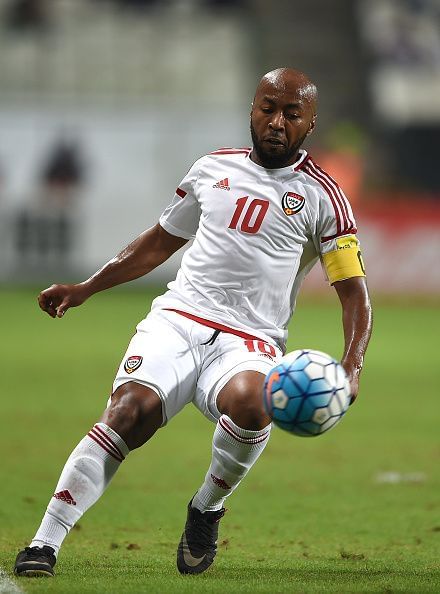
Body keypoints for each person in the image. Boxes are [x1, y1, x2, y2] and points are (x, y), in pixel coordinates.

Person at [14, 67, 372, 578]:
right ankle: (44, 543)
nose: (276, 122)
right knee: (127, 413)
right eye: (267, 108)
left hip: (251, 340)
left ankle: (205, 508)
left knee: (255, 404)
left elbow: (353, 291)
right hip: (178, 319)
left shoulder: (324, 198)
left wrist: (353, 362)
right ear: (252, 108)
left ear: (310, 125)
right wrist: (86, 287)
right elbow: (159, 242)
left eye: (291, 114)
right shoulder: (211, 168)